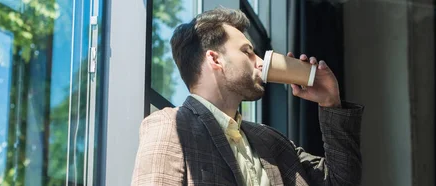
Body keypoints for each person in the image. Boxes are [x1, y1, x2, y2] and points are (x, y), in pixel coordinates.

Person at [132, 7, 364, 186]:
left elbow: (341, 181)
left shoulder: (270, 140)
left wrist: (330, 102)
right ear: (215, 59)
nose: (261, 62)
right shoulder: (169, 125)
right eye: (247, 52)